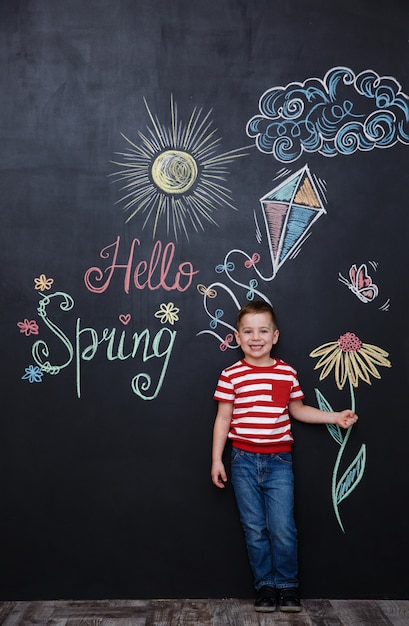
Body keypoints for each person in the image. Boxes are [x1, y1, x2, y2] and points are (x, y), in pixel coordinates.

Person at [211, 301, 358, 613]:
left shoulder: (287, 373)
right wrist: (217, 459)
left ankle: (288, 586)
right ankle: (265, 586)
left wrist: (335, 417)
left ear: (275, 336)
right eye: (248, 331)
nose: (256, 337)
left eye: (263, 330)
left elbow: (298, 410)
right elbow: (223, 419)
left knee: (282, 527)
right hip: (243, 462)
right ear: (237, 337)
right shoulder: (231, 375)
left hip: (279, 462)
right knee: (254, 528)